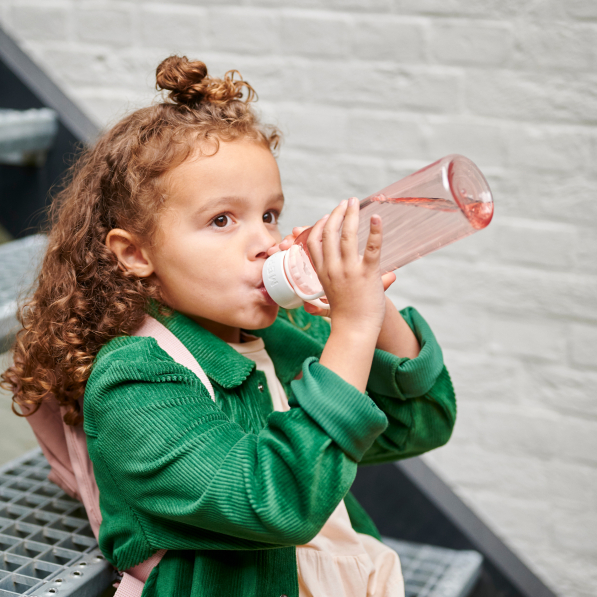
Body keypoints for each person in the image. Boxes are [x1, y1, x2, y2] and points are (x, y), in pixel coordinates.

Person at [2, 55, 456, 597]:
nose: (265, 240)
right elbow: (278, 501)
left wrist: (372, 321)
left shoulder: (277, 336)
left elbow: (423, 422)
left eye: (270, 214)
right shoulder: (134, 380)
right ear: (135, 253)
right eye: (222, 220)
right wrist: (352, 335)